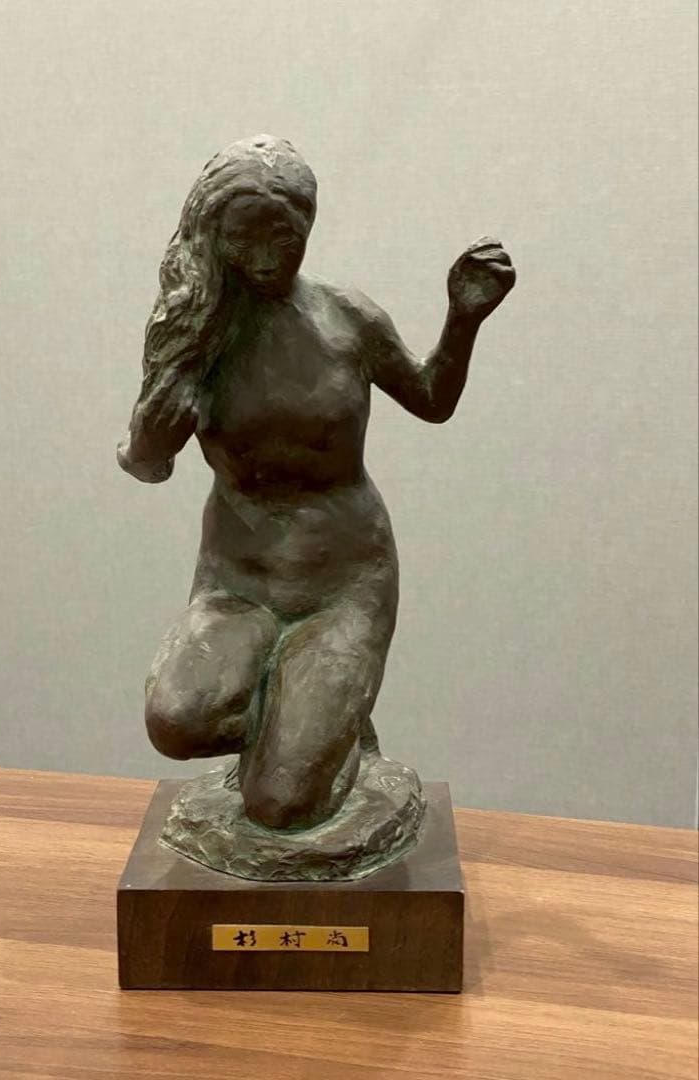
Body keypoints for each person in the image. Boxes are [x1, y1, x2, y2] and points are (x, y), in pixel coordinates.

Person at [117, 134, 515, 831]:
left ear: (308, 226)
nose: (267, 257)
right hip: (238, 584)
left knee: (281, 805)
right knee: (175, 723)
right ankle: (303, 723)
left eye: (285, 236)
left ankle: (321, 733)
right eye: (244, 238)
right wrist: (151, 434)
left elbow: (430, 398)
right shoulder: (195, 335)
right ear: (214, 238)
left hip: (343, 580)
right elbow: (148, 462)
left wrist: (463, 318)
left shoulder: (346, 318)